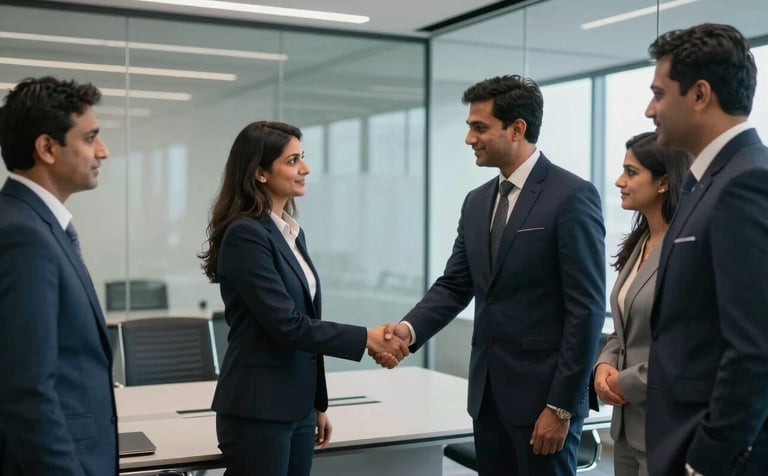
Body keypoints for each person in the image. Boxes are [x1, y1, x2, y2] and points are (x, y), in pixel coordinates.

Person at [378, 75, 605, 475]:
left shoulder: (571, 195)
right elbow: (455, 284)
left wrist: (562, 405)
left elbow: (585, 310)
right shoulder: (477, 201)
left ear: (517, 128)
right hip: (488, 397)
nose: (469, 138)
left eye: (478, 127)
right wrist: (408, 331)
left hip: (544, 402)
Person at [199, 120, 409, 476]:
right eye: (293, 160)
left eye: (303, 158)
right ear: (261, 173)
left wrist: (316, 404)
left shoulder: (289, 234)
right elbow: (287, 325)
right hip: (258, 410)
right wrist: (368, 337)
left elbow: (304, 325)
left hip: (294, 407)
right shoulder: (246, 235)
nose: (305, 169)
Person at [644, 23, 768, 476]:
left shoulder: (746, 182)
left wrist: (706, 461)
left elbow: (755, 347)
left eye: (659, 93)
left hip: (715, 456)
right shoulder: (705, 183)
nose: (648, 109)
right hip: (679, 439)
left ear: (699, 95)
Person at [0, 77, 116, 475]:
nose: (103, 151)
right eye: (90, 138)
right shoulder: (22, 235)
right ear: (47, 148)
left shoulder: (36, 224)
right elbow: (26, 390)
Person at [592, 132, 692, 476]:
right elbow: (624, 325)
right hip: (625, 425)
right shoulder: (640, 242)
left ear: (663, 181)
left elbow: (687, 344)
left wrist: (625, 383)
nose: (619, 181)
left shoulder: (686, 247)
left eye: (631, 173)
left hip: (665, 425)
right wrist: (604, 365)